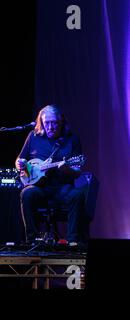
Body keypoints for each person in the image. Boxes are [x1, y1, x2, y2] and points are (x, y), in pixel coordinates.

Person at [16, 105, 87, 245]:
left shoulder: (72, 139)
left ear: (61, 122)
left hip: (62, 188)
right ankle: (32, 241)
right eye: (46, 123)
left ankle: (72, 242)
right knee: (26, 193)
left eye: (54, 122)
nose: (51, 126)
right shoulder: (33, 137)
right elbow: (20, 159)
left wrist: (67, 169)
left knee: (77, 195)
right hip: (40, 188)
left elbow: (78, 171)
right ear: (41, 122)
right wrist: (20, 163)